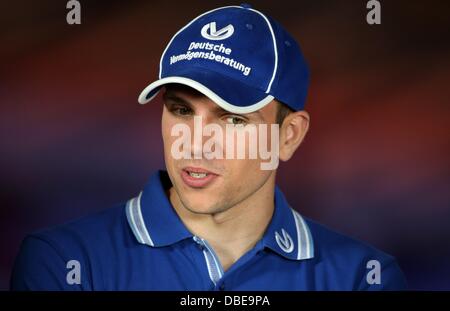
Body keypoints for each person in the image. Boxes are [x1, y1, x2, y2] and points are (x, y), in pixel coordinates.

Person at [11, 4, 407, 290]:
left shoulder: (362, 277)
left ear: (289, 136)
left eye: (233, 118)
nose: (196, 142)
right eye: (181, 110)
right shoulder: (64, 261)